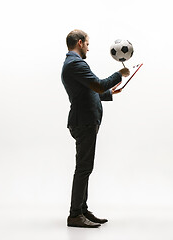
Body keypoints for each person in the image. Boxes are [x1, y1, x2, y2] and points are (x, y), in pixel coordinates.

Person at [61, 29, 130, 228]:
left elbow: (89, 91)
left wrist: (109, 92)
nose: (88, 49)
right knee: (83, 168)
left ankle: (82, 210)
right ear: (80, 42)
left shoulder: (73, 64)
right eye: (88, 44)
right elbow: (97, 85)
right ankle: (75, 215)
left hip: (85, 122)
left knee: (85, 168)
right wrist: (120, 74)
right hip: (83, 122)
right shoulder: (75, 64)